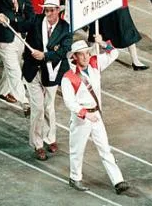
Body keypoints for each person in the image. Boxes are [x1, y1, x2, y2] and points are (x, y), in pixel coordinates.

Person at [61, 37, 130, 194]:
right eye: (81, 54)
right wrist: (85, 114)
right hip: (81, 118)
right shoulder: (68, 77)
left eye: (87, 53)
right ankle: (75, 177)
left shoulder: (94, 63)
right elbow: (70, 102)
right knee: (77, 150)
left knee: (105, 147)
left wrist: (102, 43)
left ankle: (118, 180)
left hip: (96, 115)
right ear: (74, 57)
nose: (86, 57)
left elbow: (114, 54)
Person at [22, 0, 71, 161]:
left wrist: (44, 55)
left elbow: (63, 52)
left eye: (51, 10)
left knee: (49, 106)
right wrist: (5, 19)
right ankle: (38, 144)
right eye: (46, 10)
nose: (48, 13)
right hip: (32, 71)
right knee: (38, 109)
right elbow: (20, 25)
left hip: (52, 72)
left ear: (58, 11)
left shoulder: (65, 28)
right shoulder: (36, 20)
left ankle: (50, 138)